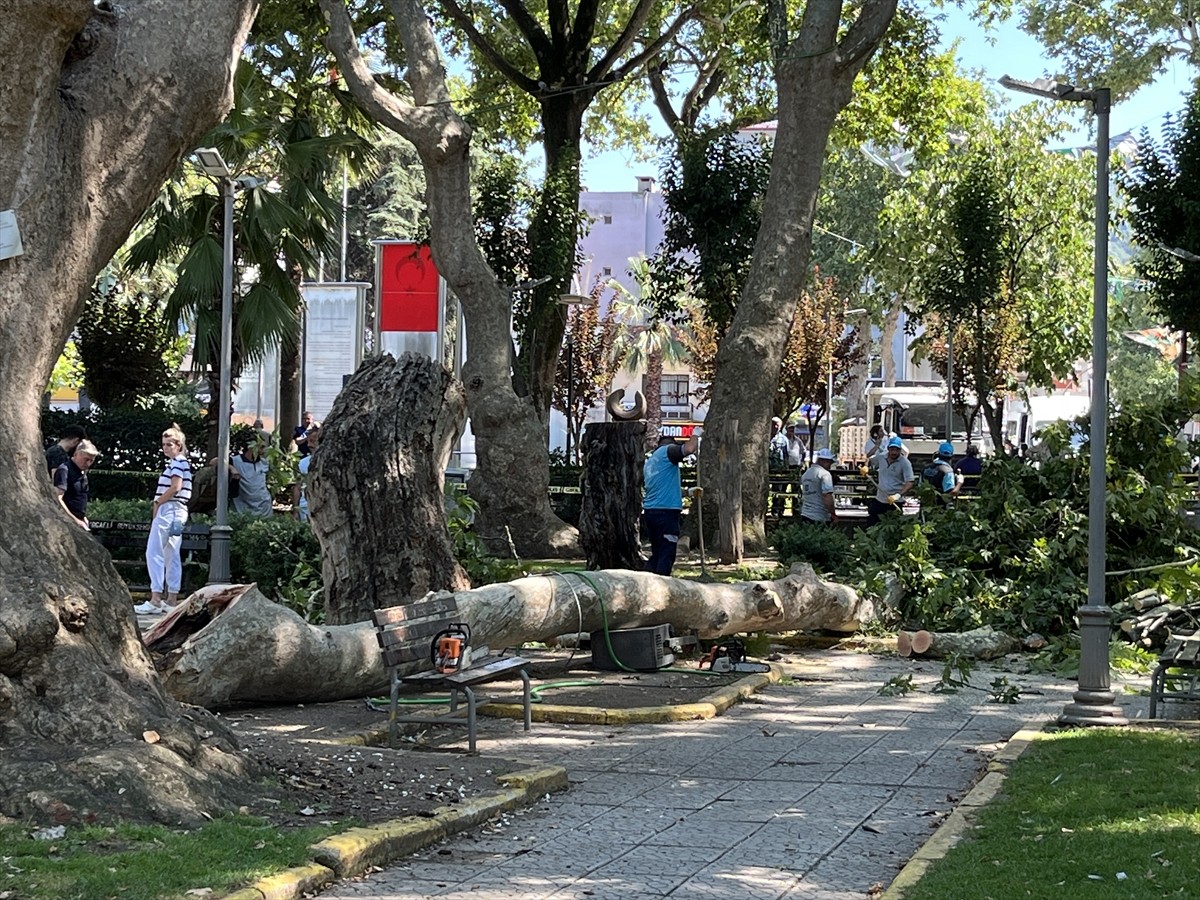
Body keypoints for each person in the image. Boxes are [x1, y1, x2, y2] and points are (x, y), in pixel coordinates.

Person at [136, 425, 193, 616]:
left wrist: (158, 502)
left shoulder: (177, 463)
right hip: (178, 511)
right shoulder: (182, 462)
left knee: (154, 551)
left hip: (169, 508)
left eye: (169, 444)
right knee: (171, 553)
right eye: (164, 444)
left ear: (178, 445)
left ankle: (155, 598)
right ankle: (171, 598)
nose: (165, 448)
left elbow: (175, 486)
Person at [643, 430, 700, 576]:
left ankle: (649, 581)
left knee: (658, 552)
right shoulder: (667, 452)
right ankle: (662, 585)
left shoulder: (651, 462)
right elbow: (688, 449)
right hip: (666, 513)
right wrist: (695, 434)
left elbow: (664, 487)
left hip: (652, 512)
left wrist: (688, 492)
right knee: (667, 552)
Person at [866, 436, 914, 527]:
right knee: (872, 525)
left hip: (895, 501)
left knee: (894, 527)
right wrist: (866, 468)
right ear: (888, 448)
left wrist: (898, 495)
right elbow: (870, 460)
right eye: (892, 449)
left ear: (900, 450)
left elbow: (910, 482)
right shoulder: (881, 457)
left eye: (897, 450)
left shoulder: (905, 463)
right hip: (880, 499)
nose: (894, 452)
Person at [53, 439, 99, 529]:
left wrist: (82, 517)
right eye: (86, 459)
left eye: (91, 461)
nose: (88, 463)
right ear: (76, 454)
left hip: (80, 520)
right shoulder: (64, 470)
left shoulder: (82, 472)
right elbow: (58, 499)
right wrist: (75, 520)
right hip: (65, 522)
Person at [229, 438, 273, 518]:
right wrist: (231, 468)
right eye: (261, 447)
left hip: (264, 506)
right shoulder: (235, 460)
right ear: (251, 447)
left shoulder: (264, 462)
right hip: (243, 507)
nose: (264, 451)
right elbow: (214, 461)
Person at [799, 448, 838, 525]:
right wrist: (833, 514)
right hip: (820, 516)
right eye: (829, 462)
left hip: (805, 515)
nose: (830, 466)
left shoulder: (806, 474)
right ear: (823, 461)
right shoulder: (824, 474)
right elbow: (827, 497)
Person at [293, 425, 321, 522]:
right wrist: (296, 510)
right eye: (308, 441)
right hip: (304, 509)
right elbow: (298, 486)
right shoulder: (303, 463)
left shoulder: (329, 464)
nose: (309, 445)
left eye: (313, 441)